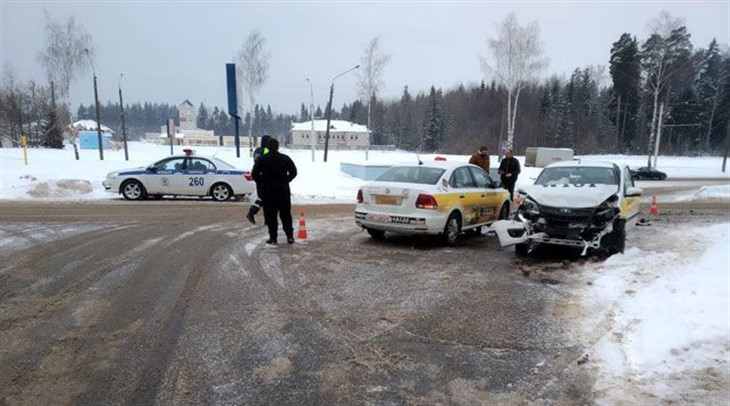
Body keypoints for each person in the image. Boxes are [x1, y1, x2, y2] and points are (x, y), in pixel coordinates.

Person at [251, 138, 298, 245]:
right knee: (286, 215)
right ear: (278, 147)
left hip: (268, 193)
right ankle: (290, 237)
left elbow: (254, 175)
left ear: (267, 147)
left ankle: (273, 238)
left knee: (271, 216)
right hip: (283, 192)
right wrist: (287, 180)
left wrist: (262, 182)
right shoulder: (285, 158)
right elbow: (294, 172)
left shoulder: (262, 159)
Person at [246, 135, 271, 224]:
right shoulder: (266, 150)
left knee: (263, 197)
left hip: (258, 176)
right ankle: (253, 213)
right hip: (265, 177)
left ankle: (254, 213)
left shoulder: (257, 150)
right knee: (266, 198)